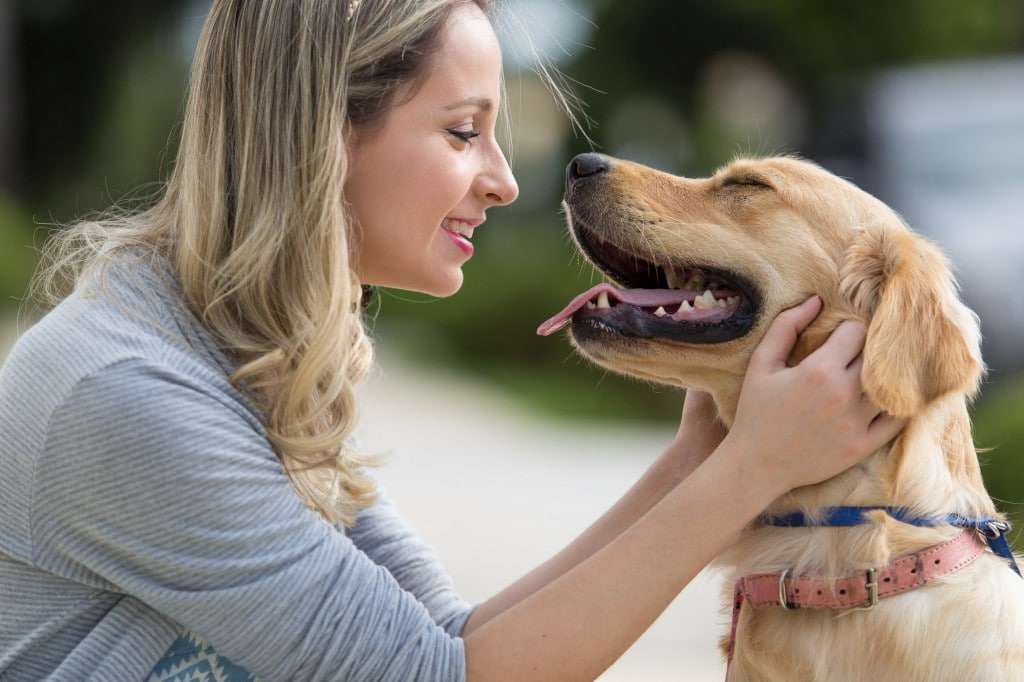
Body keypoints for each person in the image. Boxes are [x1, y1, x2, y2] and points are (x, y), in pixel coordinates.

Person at [0, 1, 906, 680]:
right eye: (463, 132)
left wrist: (696, 460)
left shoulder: (231, 351)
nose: (505, 182)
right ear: (321, 135)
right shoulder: (129, 395)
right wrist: (748, 473)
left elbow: (447, 637)